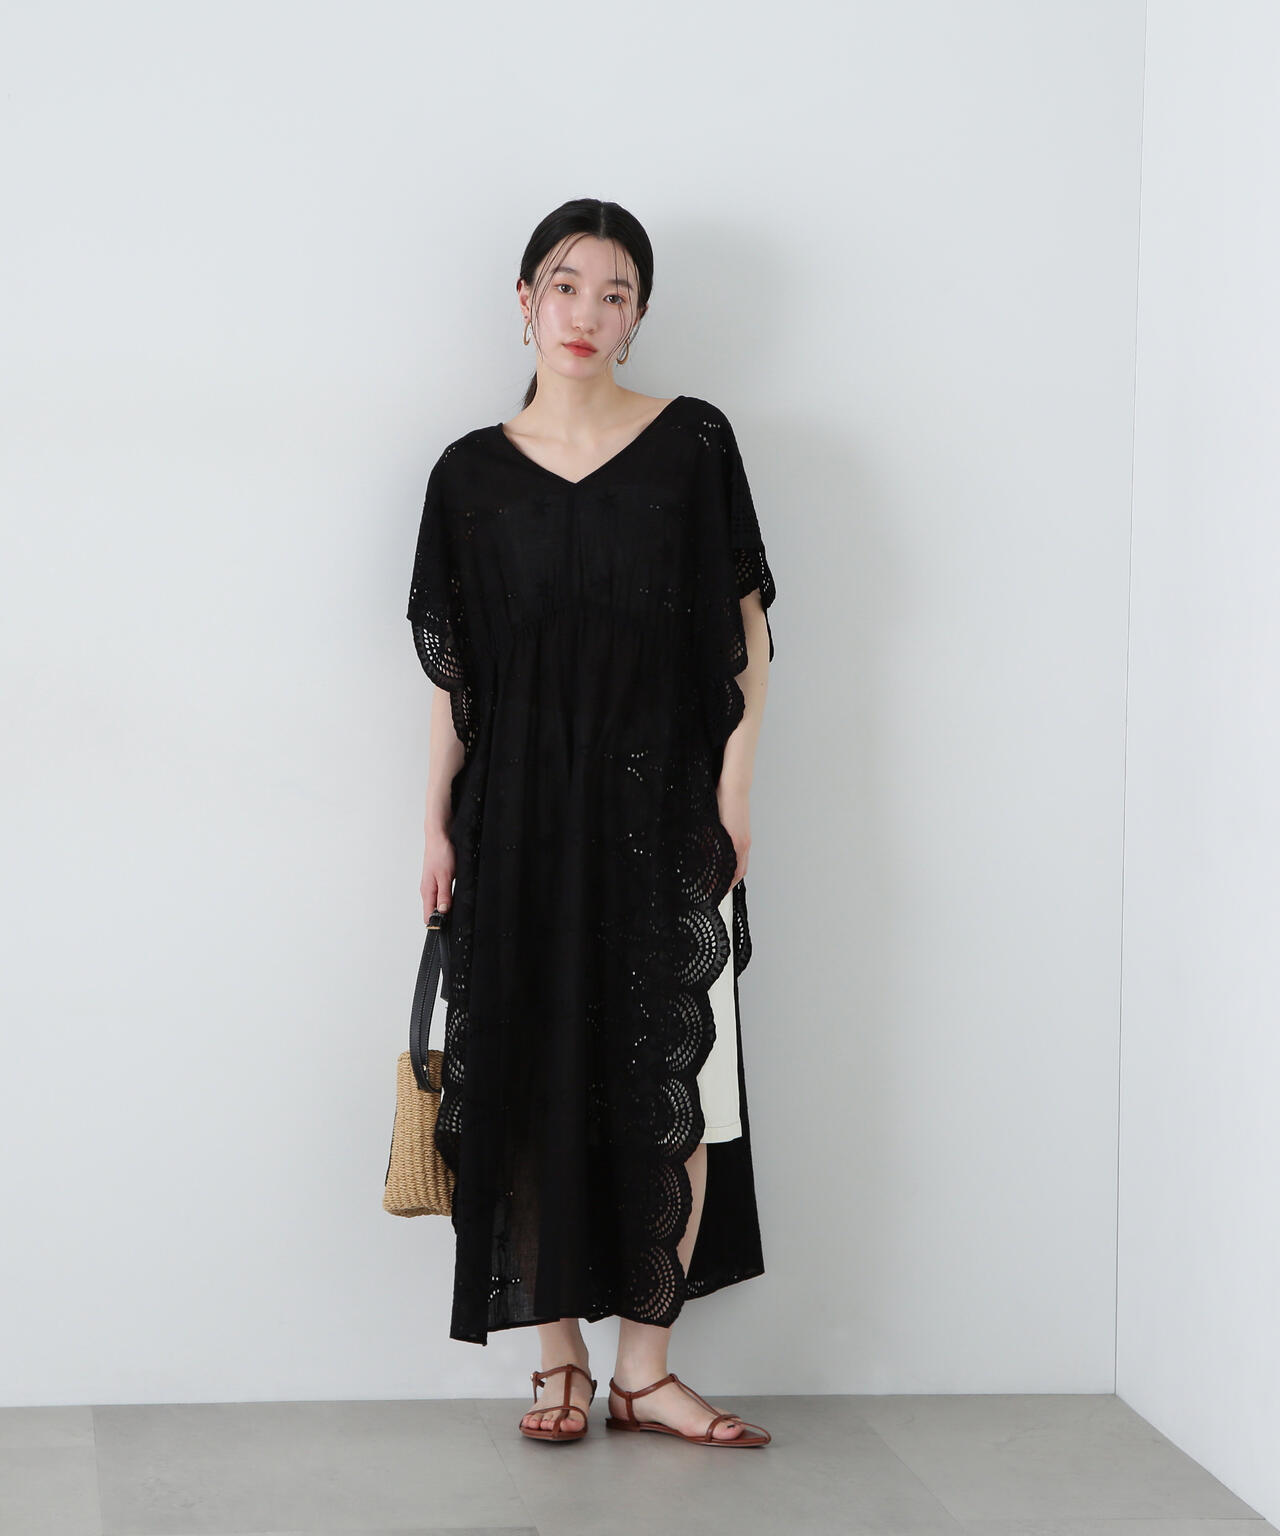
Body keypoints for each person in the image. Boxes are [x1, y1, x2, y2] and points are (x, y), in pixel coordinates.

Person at [407, 198, 777, 1447]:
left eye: (614, 293)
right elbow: (461, 682)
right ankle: (558, 1358)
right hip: (512, 822)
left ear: (638, 315)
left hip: (664, 814)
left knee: (680, 1082)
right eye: (565, 285)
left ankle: (646, 1370)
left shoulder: (690, 444)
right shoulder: (468, 476)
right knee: (527, 1081)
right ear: (524, 300)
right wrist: (433, 824)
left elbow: (746, 636)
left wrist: (732, 791)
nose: (586, 313)